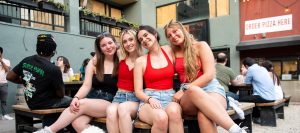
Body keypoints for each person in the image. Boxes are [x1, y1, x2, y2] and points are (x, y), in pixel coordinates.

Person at [164, 20, 247, 133]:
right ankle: (236, 129)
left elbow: (210, 74)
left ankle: (235, 130)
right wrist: (184, 90)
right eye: (169, 35)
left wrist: (184, 90)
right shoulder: (173, 52)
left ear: (184, 30)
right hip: (188, 94)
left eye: (175, 31)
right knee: (192, 89)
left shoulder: (201, 46)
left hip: (211, 88)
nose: (173, 36)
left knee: (204, 115)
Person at [34, 32, 119, 133]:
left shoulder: (121, 59)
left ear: (115, 44)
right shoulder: (94, 63)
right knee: (77, 122)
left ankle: (48, 131)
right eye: (103, 45)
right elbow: (86, 85)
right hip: (93, 99)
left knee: (81, 104)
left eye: (110, 43)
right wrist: (76, 97)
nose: (108, 47)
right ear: (99, 48)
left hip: (112, 101)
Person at [134, 25, 184, 133]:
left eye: (146, 35)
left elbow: (183, 62)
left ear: (155, 34)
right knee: (161, 117)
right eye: (140, 39)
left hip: (171, 96)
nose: (144, 40)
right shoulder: (140, 61)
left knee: (174, 113)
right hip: (150, 100)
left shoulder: (169, 50)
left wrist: (183, 89)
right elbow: (137, 91)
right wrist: (149, 99)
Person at [6, 34, 72, 110]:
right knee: (75, 102)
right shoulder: (54, 69)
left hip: (31, 103)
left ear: (37, 47)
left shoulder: (26, 60)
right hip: (45, 104)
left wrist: (27, 81)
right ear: (53, 51)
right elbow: (61, 94)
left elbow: (9, 76)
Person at [106, 29, 143, 133]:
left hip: (136, 98)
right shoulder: (119, 56)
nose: (128, 44)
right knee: (110, 110)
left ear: (137, 40)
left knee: (123, 108)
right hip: (119, 96)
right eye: (125, 41)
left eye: (131, 39)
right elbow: (101, 53)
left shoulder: (144, 59)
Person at [240, 57, 276, 123]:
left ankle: (253, 118)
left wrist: (246, 75)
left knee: (241, 99)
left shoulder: (250, 69)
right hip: (272, 96)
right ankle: (255, 116)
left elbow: (247, 83)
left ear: (246, 66)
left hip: (264, 97)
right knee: (252, 97)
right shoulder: (263, 68)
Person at [0, 47, 14, 120]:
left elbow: (7, 70)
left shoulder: (7, 61)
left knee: (4, 101)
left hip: (3, 84)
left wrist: (1, 61)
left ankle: (4, 115)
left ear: (1, 53)